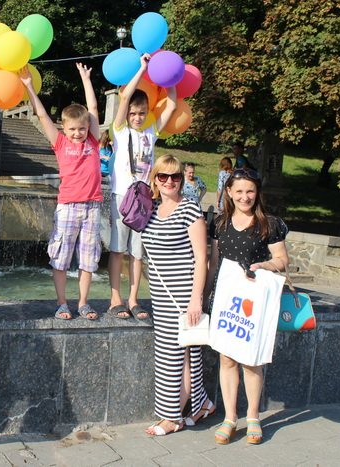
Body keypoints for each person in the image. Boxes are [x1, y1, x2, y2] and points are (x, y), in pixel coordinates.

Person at [205, 167, 290, 445]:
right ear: (229, 192)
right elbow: (214, 264)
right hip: (225, 298)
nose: (245, 196)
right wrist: (205, 297)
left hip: (254, 298)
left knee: (251, 359)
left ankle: (253, 416)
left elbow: (282, 260)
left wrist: (264, 265)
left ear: (257, 193)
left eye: (250, 191)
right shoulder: (220, 224)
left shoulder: (269, 224)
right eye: (239, 191)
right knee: (227, 358)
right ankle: (230, 418)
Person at [19, 62, 102, 320]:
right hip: (68, 207)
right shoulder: (60, 142)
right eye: (73, 129)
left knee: (88, 258)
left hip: (92, 207)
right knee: (61, 256)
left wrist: (86, 79)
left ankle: (84, 303)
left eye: (82, 128)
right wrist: (30, 87)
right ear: (64, 128)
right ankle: (62, 302)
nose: (78, 133)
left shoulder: (93, 140)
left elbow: (93, 109)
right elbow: (43, 115)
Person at [141, 155, 214, 436]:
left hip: (183, 293)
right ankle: (201, 403)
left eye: (175, 176)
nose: (169, 181)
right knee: (177, 354)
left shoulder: (190, 209)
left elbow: (201, 258)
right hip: (160, 294)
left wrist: (196, 299)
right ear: (155, 179)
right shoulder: (152, 208)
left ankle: (172, 417)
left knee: (175, 355)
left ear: (182, 180)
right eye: (163, 176)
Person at [107, 53, 178, 320]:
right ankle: (115, 298)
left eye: (141, 113)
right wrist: (143, 68)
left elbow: (172, 105)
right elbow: (125, 96)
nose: (137, 118)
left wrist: (171, 77)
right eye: (133, 114)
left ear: (147, 113)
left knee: (137, 254)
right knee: (117, 250)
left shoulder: (151, 133)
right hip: (121, 197)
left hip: (144, 200)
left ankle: (133, 299)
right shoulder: (120, 131)